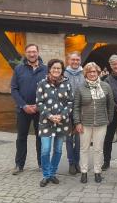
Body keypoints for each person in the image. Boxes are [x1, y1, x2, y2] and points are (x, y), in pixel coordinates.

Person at [73, 62, 114, 183]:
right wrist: (77, 122)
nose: (92, 74)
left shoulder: (106, 86)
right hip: (85, 123)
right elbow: (76, 107)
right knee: (84, 148)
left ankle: (97, 172)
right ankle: (84, 172)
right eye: (89, 72)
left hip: (101, 123)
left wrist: (109, 120)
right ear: (86, 73)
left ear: (98, 72)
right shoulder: (80, 88)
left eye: (94, 71)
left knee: (98, 149)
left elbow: (110, 105)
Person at [36, 59, 73, 187]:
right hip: (46, 122)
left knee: (57, 150)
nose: (56, 70)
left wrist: (61, 116)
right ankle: (46, 175)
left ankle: (52, 173)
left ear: (62, 70)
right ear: (49, 69)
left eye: (59, 68)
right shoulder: (42, 83)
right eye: (54, 68)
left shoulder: (67, 84)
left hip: (62, 122)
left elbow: (70, 102)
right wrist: (50, 116)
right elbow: (39, 103)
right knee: (45, 149)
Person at [11, 44, 47, 175]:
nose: (32, 54)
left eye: (34, 52)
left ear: (38, 52)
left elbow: (49, 90)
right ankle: (19, 164)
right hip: (23, 110)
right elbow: (14, 89)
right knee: (21, 137)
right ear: (25, 53)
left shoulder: (45, 69)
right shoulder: (19, 69)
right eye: (29, 52)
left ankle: (42, 164)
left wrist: (39, 105)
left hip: (41, 110)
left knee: (40, 137)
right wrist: (24, 105)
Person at [64, 51, 85, 175]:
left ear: (80, 61)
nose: (75, 62)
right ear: (68, 61)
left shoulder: (84, 74)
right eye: (73, 60)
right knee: (68, 139)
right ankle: (71, 162)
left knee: (78, 139)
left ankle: (77, 162)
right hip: (67, 111)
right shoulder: (64, 74)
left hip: (80, 110)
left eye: (77, 60)